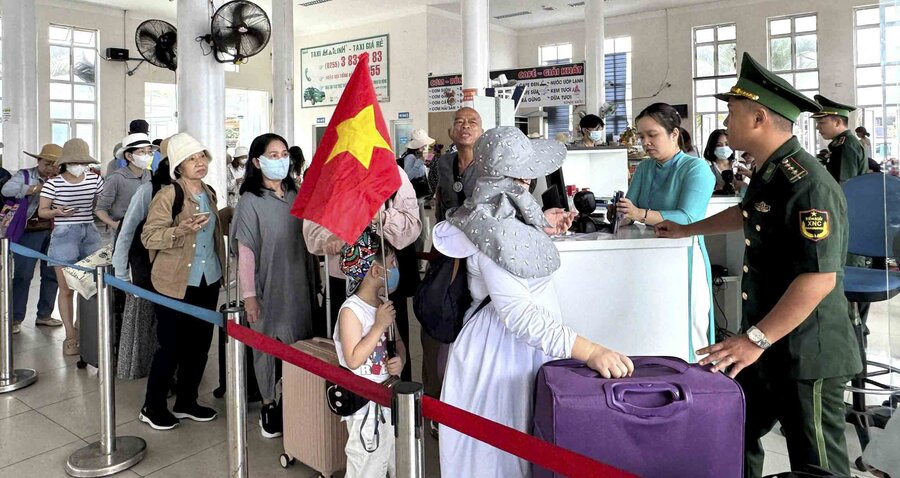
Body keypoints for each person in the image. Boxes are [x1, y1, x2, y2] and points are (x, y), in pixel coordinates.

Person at [657, 53, 861, 478]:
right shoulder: (772, 174)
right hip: (767, 341)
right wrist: (686, 230)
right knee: (734, 433)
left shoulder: (808, 185)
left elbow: (819, 277)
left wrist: (753, 340)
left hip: (807, 351)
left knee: (818, 466)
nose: (725, 124)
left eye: (732, 114)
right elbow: (749, 212)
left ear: (759, 118)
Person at [436, 127, 633, 477]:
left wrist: (541, 226)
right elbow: (519, 314)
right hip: (499, 358)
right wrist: (590, 351)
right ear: (518, 178)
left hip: (510, 351)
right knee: (500, 456)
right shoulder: (495, 229)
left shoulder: (493, 212)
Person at [609, 103, 716, 356]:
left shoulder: (696, 169)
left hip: (684, 257)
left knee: (688, 327)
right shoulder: (645, 168)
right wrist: (620, 215)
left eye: (652, 135)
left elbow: (688, 218)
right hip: (648, 257)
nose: (646, 142)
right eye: (641, 136)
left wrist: (640, 214)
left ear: (674, 134)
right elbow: (630, 211)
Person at [139, 133, 225, 430]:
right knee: (171, 346)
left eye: (202, 156)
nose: (200, 162)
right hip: (174, 282)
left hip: (208, 279)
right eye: (192, 158)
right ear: (178, 165)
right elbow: (148, 236)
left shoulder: (210, 192)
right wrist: (179, 230)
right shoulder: (168, 195)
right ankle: (153, 405)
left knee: (200, 345)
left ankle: (187, 400)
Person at [304, 164, 420, 380]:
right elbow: (311, 227)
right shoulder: (329, 172)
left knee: (392, 345)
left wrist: (383, 217)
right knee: (345, 349)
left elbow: (412, 226)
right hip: (343, 280)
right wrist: (328, 238)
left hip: (384, 279)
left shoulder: (391, 172)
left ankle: (396, 404)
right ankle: (348, 404)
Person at [231, 133, 313, 439]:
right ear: (257, 161)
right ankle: (268, 403)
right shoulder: (250, 202)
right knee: (265, 344)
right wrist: (249, 296)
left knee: (300, 340)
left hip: (298, 280)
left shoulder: (295, 193)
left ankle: (297, 399)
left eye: (283, 154)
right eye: (273, 155)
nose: (280, 160)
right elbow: (246, 253)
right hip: (267, 282)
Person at [334, 230, 405, 478]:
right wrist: (377, 326)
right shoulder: (351, 311)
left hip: (389, 397)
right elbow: (353, 358)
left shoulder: (383, 302)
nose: (395, 269)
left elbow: (397, 343)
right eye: (392, 263)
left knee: (395, 460)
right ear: (376, 271)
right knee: (367, 465)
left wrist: (400, 360)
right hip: (365, 408)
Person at [38, 138, 104, 356]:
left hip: (90, 232)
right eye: (76, 162)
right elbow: (42, 211)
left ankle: (81, 325)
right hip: (64, 233)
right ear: (66, 162)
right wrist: (58, 212)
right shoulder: (53, 183)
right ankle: (70, 335)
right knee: (66, 289)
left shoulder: (95, 180)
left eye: (83, 162)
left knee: (89, 287)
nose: (80, 166)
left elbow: (101, 204)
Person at [113, 156, 172, 380]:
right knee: (147, 318)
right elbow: (127, 230)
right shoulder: (148, 190)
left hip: (174, 268)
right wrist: (120, 271)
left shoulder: (195, 190)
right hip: (145, 265)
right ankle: (147, 368)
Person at [3, 144, 61, 335]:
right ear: (38, 161)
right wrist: (37, 188)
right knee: (23, 275)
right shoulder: (25, 174)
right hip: (29, 232)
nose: (51, 167)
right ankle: (15, 317)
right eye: (47, 163)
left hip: (55, 232)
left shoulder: (62, 178)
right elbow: (7, 190)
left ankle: (44, 314)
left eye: (55, 164)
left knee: (52, 274)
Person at [96, 133, 155, 232]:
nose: (147, 156)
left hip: (147, 230)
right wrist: (114, 224)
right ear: (129, 156)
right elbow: (100, 209)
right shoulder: (116, 178)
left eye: (149, 152)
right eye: (142, 152)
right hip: (124, 230)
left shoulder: (151, 175)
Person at [813, 95, 867, 184]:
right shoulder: (844, 143)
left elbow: (843, 184)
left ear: (837, 122)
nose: (817, 127)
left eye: (821, 122)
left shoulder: (846, 146)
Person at [399, 129, 435, 198]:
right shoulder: (410, 157)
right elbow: (408, 177)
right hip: (414, 196)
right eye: (424, 146)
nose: (425, 148)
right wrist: (420, 161)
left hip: (419, 196)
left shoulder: (416, 157)